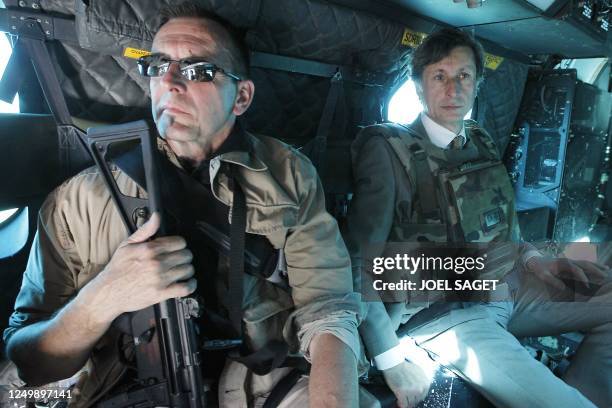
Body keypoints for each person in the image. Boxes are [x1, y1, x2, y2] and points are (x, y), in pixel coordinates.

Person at [3, 4, 364, 407]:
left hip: (257, 383)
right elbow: (27, 362)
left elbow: (328, 309)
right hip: (126, 390)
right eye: (158, 66)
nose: (170, 81)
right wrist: (102, 298)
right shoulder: (78, 201)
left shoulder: (289, 174)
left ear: (241, 96)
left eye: (198, 70)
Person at [346, 27, 612, 408]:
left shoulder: (479, 137)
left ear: (477, 84)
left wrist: (535, 259)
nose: (453, 89)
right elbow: (357, 264)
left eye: (464, 76)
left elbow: (499, 219)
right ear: (419, 86)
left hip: (509, 278)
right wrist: (390, 360)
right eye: (439, 76)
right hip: (445, 313)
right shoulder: (387, 151)